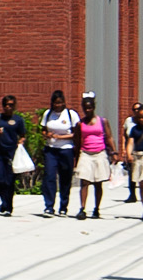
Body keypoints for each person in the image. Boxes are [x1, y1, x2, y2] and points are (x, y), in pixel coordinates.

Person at [40, 89, 81, 217]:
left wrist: (60, 137)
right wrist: (47, 135)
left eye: (60, 103)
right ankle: (49, 206)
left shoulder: (71, 114)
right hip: (51, 150)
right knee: (50, 177)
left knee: (65, 178)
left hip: (66, 150)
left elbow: (76, 134)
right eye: (55, 103)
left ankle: (63, 206)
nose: (58, 105)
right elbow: (43, 130)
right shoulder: (48, 114)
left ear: (64, 102)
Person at [0, 95, 28, 216]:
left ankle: (8, 206)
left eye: (11, 105)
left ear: (14, 106)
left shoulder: (18, 120)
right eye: (6, 105)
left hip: (11, 154)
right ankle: (4, 199)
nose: (8, 107)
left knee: (9, 182)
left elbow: (23, 134)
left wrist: (21, 141)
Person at [74, 93, 116, 219]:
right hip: (86, 153)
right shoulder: (80, 124)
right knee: (84, 181)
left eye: (90, 108)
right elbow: (77, 141)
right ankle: (82, 208)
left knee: (98, 183)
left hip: (99, 153)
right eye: (85, 108)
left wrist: (114, 152)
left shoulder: (102, 121)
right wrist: (76, 159)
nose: (88, 110)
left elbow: (109, 137)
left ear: (93, 107)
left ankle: (96, 208)